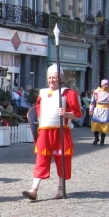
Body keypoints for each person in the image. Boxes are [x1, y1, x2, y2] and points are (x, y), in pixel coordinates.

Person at [22, 65, 81, 201]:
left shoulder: (68, 93)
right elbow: (37, 111)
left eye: (54, 77)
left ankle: (61, 189)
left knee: (62, 160)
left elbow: (77, 114)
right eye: (49, 78)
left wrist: (66, 113)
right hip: (45, 132)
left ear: (61, 78)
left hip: (61, 131)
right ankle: (34, 190)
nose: (51, 80)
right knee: (41, 160)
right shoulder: (42, 93)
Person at [89, 79, 109, 146]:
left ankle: (102, 140)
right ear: (102, 84)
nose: (106, 85)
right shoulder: (96, 92)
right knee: (95, 125)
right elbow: (92, 102)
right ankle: (96, 138)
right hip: (98, 109)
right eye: (105, 84)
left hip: (105, 110)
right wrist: (91, 109)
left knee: (104, 125)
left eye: (107, 84)